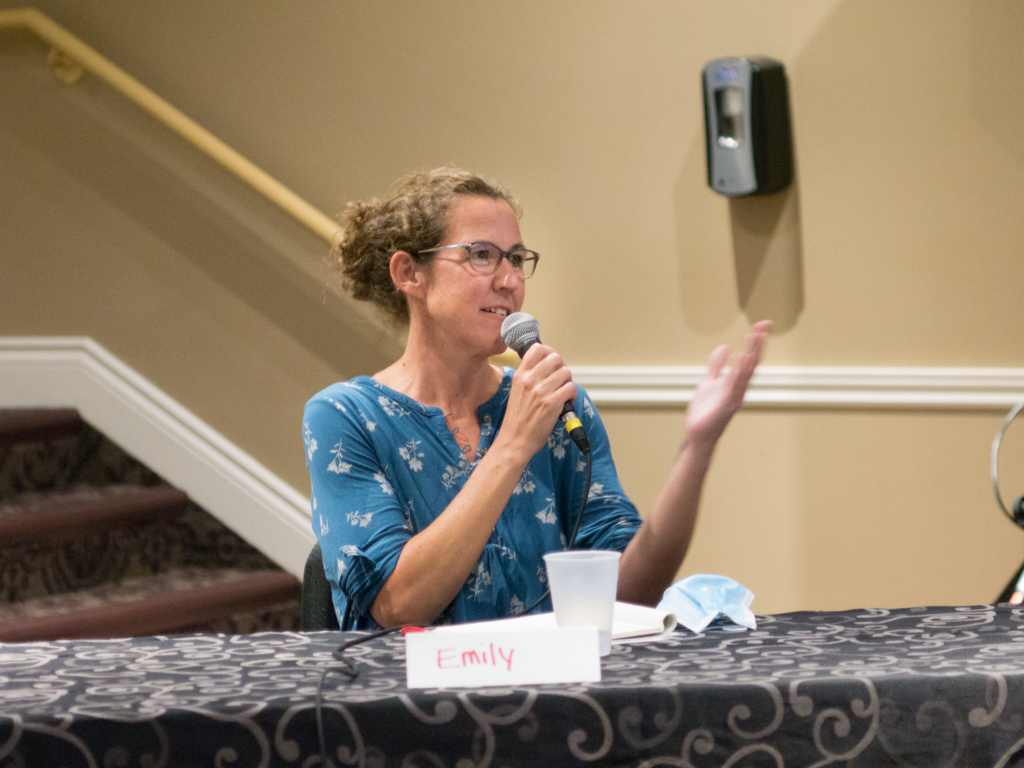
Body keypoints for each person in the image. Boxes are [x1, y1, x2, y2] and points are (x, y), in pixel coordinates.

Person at [303, 167, 770, 630]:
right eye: (481, 255)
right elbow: (398, 607)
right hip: (413, 681)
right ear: (409, 273)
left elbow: (629, 594)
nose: (509, 280)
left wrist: (697, 450)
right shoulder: (344, 416)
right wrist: (512, 445)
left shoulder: (560, 407)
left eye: (516, 258)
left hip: (552, 679)